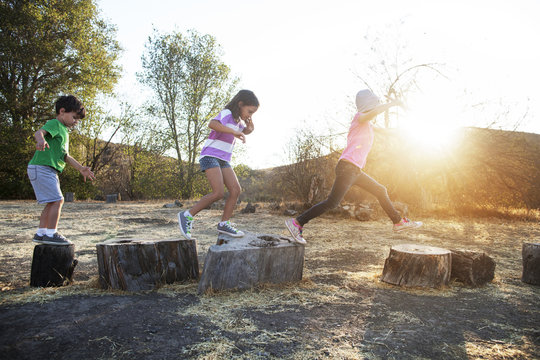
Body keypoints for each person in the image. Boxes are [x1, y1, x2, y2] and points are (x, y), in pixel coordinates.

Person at [285, 89, 422, 244]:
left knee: (380, 190)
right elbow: (372, 113)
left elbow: (386, 131)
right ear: (368, 104)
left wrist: (405, 130)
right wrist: (393, 103)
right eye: (374, 104)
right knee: (332, 202)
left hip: (355, 170)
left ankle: (398, 222)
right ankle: (297, 222)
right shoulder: (359, 118)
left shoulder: (368, 124)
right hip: (347, 167)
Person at [178, 90, 259, 240]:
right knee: (218, 193)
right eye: (249, 111)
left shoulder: (239, 122)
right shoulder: (227, 113)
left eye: (253, 113)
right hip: (210, 156)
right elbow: (212, 124)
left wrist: (250, 123)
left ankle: (224, 224)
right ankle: (187, 215)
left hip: (224, 160)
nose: (249, 115)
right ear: (240, 104)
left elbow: (246, 131)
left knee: (235, 190)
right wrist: (233, 132)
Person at [28, 95, 95, 245]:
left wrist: (80, 168)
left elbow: (65, 156)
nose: (76, 122)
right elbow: (38, 133)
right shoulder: (55, 124)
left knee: (52, 202)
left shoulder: (64, 131)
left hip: (46, 169)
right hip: (42, 167)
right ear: (62, 111)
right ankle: (52, 234)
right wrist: (41, 140)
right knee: (58, 200)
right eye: (74, 117)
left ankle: (41, 233)